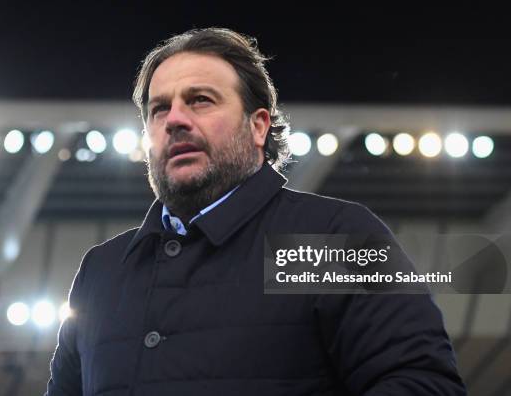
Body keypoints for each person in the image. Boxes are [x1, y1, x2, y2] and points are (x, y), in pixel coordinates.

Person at [46, 28, 466, 395]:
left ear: (259, 125)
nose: (175, 119)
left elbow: (424, 385)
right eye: (159, 109)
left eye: (200, 101)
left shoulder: (333, 239)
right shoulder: (101, 272)